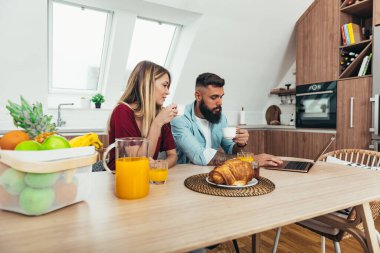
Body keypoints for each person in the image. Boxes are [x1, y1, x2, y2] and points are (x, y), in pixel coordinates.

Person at [171, 72, 282, 167]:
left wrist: (239, 144)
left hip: (209, 175)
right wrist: (249, 160)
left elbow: (230, 149)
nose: (220, 102)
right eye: (214, 97)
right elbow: (200, 156)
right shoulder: (180, 119)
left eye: (221, 96)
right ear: (198, 96)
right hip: (184, 178)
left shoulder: (220, 118)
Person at [107, 61, 178, 169]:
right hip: (117, 178)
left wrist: (160, 165)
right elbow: (138, 162)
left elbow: (172, 155)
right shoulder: (123, 111)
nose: (167, 92)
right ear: (147, 84)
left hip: (144, 177)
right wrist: (157, 123)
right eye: (164, 85)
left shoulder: (160, 115)